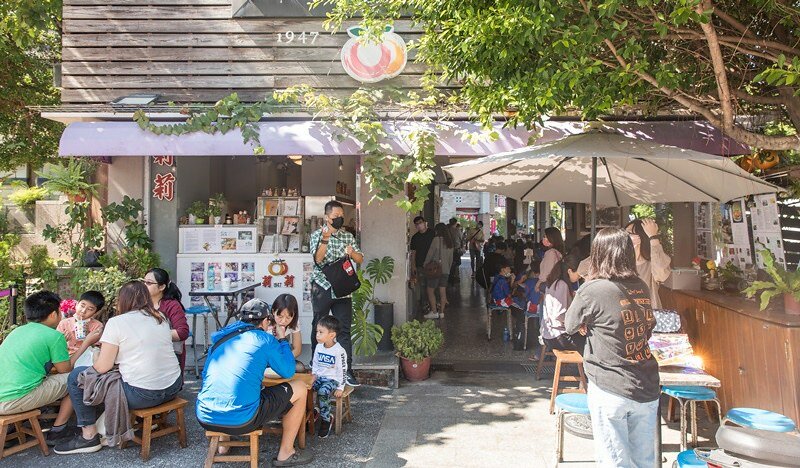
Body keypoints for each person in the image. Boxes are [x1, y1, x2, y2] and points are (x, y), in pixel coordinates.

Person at [565, 228, 659, 468]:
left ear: (598, 253)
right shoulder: (641, 286)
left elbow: (570, 324)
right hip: (646, 384)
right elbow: (647, 327)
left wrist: (589, 323)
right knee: (644, 462)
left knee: (613, 461)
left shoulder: (592, 289)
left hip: (609, 384)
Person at [55, 281, 182, 454]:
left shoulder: (117, 322)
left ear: (122, 300)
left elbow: (103, 367)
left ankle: (88, 436)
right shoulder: (160, 317)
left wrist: (94, 362)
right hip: (173, 387)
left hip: (143, 395)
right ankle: (109, 427)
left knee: (77, 376)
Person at [196, 298, 313, 466]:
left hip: (205, 417)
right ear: (265, 321)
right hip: (243, 419)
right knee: (301, 388)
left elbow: (206, 375)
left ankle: (223, 445)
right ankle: (286, 452)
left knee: (227, 386)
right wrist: (282, 340)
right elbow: (288, 371)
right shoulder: (264, 339)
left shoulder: (222, 338)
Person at [0, 291, 98, 446]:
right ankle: (58, 430)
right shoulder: (53, 336)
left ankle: (14, 427)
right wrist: (86, 343)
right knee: (77, 378)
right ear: (53, 314)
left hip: (4, 396)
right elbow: (66, 371)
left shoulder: (16, 331)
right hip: (13, 401)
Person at [310, 200, 363, 387]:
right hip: (322, 286)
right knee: (319, 326)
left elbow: (360, 258)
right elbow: (318, 259)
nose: (340, 218)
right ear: (327, 217)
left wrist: (352, 253)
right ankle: (316, 366)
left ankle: (347, 370)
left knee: (344, 330)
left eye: (341, 216)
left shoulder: (347, 236)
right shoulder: (317, 235)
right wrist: (325, 239)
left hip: (342, 289)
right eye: (336, 216)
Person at [143, 268, 190, 374]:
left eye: (149, 283)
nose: (144, 285)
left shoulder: (171, 305)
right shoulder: (141, 303)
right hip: (145, 357)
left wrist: (153, 334)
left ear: (162, 287)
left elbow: (182, 332)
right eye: (143, 282)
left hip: (168, 359)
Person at [311, 316, 347, 439]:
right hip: (320, 377)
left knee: (323, 391)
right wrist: (314, 375)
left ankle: (326, 419)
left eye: (321, 332)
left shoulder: (339, 351)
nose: (317, 335)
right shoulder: (318, 347)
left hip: (333, 380)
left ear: (331, 335)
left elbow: (343, 370)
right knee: (306, 388)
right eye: (317, 331)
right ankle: (312, 412)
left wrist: (341, 387)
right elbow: (315, 363)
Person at [540, 255, 586, 353]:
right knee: (590, 340)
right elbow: (560, 316)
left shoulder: (553, 282)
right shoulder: (562, 285)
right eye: (578, 274)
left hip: (548, 335)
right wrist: (578, 326)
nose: (580, 277)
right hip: (558, 337)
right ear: (569, 271)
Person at [625, 218, 672, 309]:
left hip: (648, 316)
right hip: (623, 316)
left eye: (629, 233)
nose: (624, 236)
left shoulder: (651, 264)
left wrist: (653, 236)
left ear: (640, 237)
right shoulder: (618, 262)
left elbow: (661, 274)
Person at [56, 291, 105, 365]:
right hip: (68, 357)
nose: (83, 311)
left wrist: (89, 337)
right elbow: (56, 346)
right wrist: (62, 341)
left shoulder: (97, 326)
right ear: (77, 304)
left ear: (96, 312)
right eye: (82, 305)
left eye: (90, 309)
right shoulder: (64, 323)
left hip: (87, 357)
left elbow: (99, 347)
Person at [423, 222, 455, 319]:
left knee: (430, 290)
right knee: (442, 291)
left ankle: (434, 311)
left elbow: (430, 254)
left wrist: (425, 264)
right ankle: (441, 313)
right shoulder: (450, 242)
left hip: (435, 270)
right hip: (446, 270)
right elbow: (451, 259)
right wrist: (448, 269)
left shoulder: (436, 240)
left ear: (437, 230)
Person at [268, 293, 305, 372]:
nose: (283, 321)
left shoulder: (294, 323)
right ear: (273, 312)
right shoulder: (266, 321)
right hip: (266, 359)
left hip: (282, 359)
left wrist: (282, 361)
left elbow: (297, 349)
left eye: (288, 317)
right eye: (280, 317)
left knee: (300, 368)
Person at [409, 215, 435, 318]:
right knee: (423, 286)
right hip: (420, 265)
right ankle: (425, 305)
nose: (419, 225)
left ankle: (433, 306)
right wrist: (413, 266)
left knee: (432, 286)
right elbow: (413, 253)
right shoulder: (415, 238)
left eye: (420, 223)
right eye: (417, 224)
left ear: (425, 223)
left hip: (433, 265)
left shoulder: (432, 234)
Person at [447, 218, 463, 284]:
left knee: (449, 263)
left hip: (448, 249)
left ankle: (449, 277)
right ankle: (456, 277)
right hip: (456, 249)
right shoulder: (457, 230)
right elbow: (461, 239)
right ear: (455, 223)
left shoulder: (446, 230)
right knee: (456, 264)